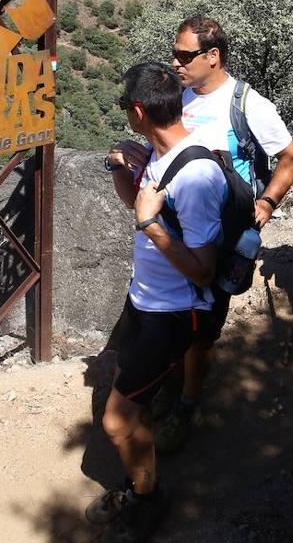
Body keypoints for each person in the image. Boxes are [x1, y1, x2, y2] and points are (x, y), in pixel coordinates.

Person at [128, 15, 293, 452]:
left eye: (185, 55)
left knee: (202, 329)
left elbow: (291, 158)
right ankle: (169, 383)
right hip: (173, 229)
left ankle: (188, 403)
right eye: (175, 53)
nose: (175, 62)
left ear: (213, 57)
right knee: (172, 316)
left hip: (219, 234)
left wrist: (265, 204)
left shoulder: (246, 104)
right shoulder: (180, 98)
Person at [90, 63, 227, 540]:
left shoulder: (197, 175)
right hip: (145, 301)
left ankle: (148, 497)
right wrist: (120, 169)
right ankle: (143, 471)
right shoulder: (157, 153)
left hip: (173, 314)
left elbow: (204, 268)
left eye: (127, 106)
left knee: (114, 421)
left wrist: (151, 225)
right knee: (132, 408)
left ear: (141, 110)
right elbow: (141, 204)